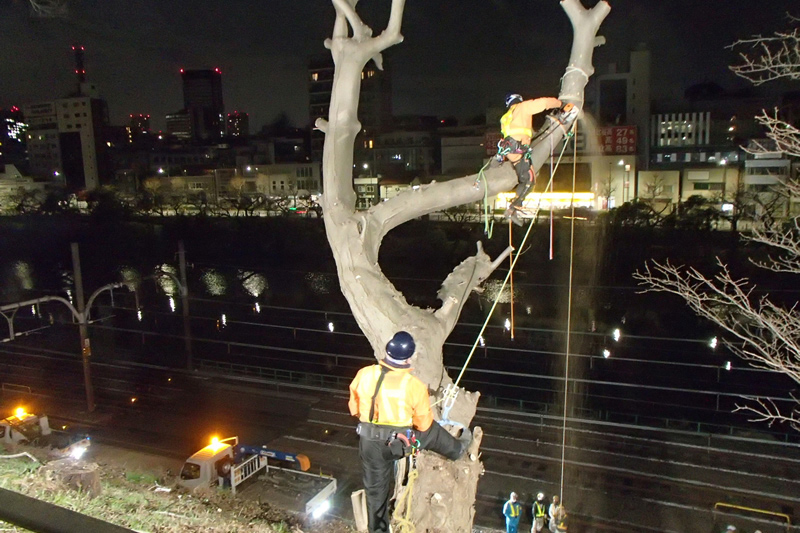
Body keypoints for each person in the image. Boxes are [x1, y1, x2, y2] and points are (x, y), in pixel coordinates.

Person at [348, 331, 473, 533]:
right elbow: (424, 424)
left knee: (375, 494)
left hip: (368, 442)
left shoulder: (364, 373)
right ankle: (457, 449)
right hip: (398, 443)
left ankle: (378, 530)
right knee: (432, 432)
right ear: (409, 357)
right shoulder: (413, 385)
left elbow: (354, 407)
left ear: (387, 350)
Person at [497, 93, 562, 226]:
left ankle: (513, 209)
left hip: (510, 150)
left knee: (525, 179)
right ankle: (513, 208)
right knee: (529, 181)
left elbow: (524, 131)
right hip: (517, 147)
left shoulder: (506, 117)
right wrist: (560, 103)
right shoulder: (522, 107)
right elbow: (543, 103)